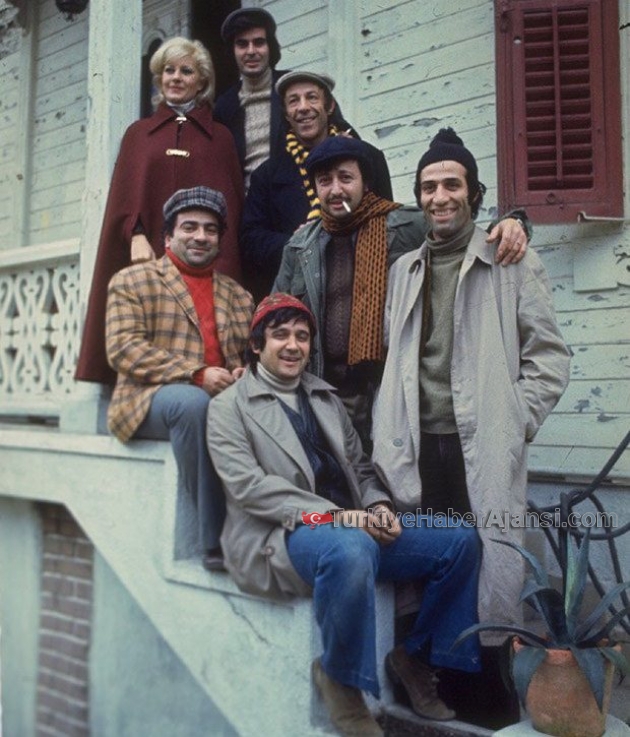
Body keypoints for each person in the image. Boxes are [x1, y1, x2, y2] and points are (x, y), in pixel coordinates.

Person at [206, 293, 483, 735]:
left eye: (302, 336)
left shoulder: (324, 399)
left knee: (458, 538)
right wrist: (339, 517)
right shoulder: (229, 408)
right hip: (285, 533)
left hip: (352, 525)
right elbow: (250, 489)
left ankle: (415, 658)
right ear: (257, 345)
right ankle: (340, 681)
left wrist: (377, 505)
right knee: (350, 548)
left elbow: (360, 467)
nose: (293, 345)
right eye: (280, 335)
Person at [371, 128, 571, 727]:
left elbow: (550, 358)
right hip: (416, 445)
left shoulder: (511, 261)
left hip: (480, 443)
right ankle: (432, 683)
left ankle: (488, 702)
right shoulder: (404, 269)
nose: (439, 197)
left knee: (489, 563)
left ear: (473, 193)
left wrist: (515, 421)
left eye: (451, 185)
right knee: (437, 567)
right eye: (428, 187)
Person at [273, 135, 530, 448]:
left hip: (385, 396)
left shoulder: (405, 226)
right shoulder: (301, 246)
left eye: (346, 178)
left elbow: (463, 229)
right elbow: (276, 316)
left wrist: (514, 222)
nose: (336, 190)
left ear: (366, 182)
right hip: (320, 394)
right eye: (325, 181)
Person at [76, 37, 244, 385]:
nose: (176, 78)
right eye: (169, 70)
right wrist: (135, 234)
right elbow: (125, 195)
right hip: (148, 249)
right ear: (159, 77)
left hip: (203, 255)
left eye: (186, 71)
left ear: (202, 80)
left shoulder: (220, 138)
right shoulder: (139, 134)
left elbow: (229, 204)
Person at [105, 187, 253, 572]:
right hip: (149, 399)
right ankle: (216, 540)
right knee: (193, 404)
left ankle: (280, 527)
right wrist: (195, 374)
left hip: (221, 400)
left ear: (219, 239)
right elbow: (123, 348)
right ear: (168, 237)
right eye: (189, 227)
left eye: (210, 229)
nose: (201, 236)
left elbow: (247, 357)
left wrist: (243, 372)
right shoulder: (133, 281)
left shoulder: (238, 296)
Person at [240, 70, 393, 301]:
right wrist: (296, 243)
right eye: (294, 101)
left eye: (312, 97)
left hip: (363, 285)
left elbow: (386, 219)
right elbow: (251, 239)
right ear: (286, 113)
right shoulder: (267, 176)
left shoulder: (368, 158)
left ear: (329, 106)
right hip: (300, 295)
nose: (303, 107)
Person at [213, 8, 289, 190]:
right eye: (242, 44)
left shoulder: (292, 87)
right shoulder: (224, 106)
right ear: (232, 51)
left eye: (259, 42)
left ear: (270, 47)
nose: (251, 51)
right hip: (248, 203)